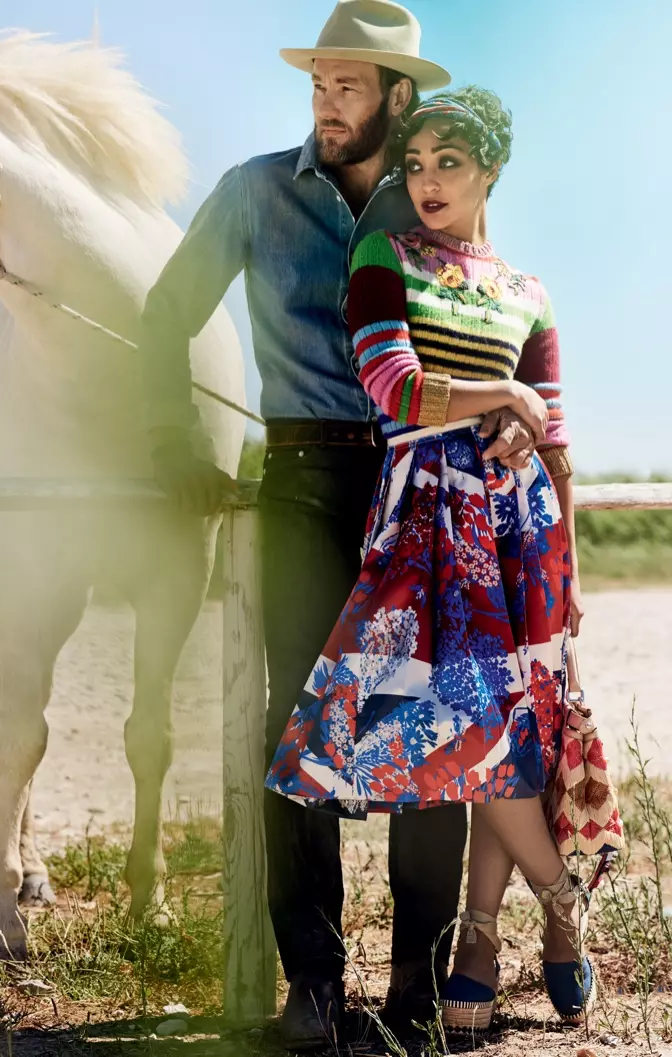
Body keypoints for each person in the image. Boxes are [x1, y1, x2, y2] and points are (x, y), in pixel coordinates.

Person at [142, 2, 536, 1048]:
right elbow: (162, 315)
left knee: (429, 735)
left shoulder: (433, 202)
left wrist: (510, 420)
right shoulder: (253, 192)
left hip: (422, 485)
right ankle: (313, 986)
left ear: (395, 97)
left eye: (345, 86)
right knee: (294, 728)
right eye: (315, 84)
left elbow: (496, 327)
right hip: (306, 475)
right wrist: (173, 445)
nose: (323, 105)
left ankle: (412, 991)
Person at [266, 85, 622, 1033]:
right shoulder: (386, 256)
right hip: (425, 525)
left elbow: (557, 441)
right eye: (415, 164)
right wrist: (506, 394)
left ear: (492, 171)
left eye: (448, 165)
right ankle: (560, 902)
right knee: (466, 725)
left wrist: (571, 567)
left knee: (512, 728)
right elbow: (394, 387)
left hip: (521, 532)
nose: (425, 182)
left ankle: (478, 936)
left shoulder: (528, 291)